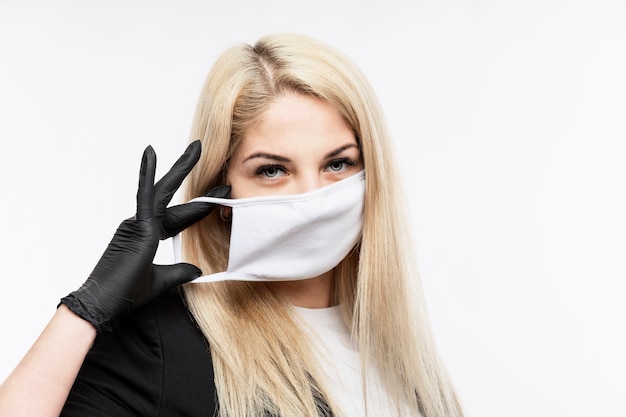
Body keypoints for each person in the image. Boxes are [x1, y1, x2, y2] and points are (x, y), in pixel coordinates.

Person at [0, 33, 464, 417]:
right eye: (271, 170)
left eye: (338, 164)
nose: (311, 195)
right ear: (223, 195)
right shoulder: (166, 346)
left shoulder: (399, 354)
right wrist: (86, 309)